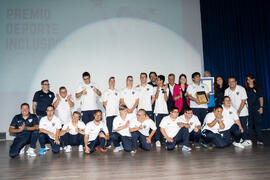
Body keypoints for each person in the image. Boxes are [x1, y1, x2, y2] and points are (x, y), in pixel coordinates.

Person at [225, 76, 251, 146]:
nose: (231, 83)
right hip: (233, 112)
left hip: (242, 111)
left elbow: (243, 101)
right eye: (230, 81)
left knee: (243, 125)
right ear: (228, 83)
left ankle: (247, 140)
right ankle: (240, 138)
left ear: (236, 82)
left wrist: (239, 111)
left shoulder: (241, 89)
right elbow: (226, 101)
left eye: (233, 81)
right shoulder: (227, 91)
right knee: (236, 126)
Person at [245, 75, 264, 145]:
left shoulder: (258, 87)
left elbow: (261, 98)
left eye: (250, 79)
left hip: (256, 108)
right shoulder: (245, 89)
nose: (249, 80)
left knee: (258, 125)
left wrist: (261, 107)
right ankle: (249, 140)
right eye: (247, 79)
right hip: (248, 109)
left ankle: (260, 139)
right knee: (249, 125)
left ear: (253, 79)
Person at [102, 76, 120, 148]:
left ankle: (118, 143)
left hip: (117, 114)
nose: (112, 82)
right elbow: (104, 103)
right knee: (109, 129)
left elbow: (119, 102)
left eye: (113, 81)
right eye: (111, 81)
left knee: (116, 129)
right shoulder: (106, 92)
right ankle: (109, 143)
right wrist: (109, 108)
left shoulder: (117, 92)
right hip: (109, 114)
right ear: (109, 82)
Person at [153, 75, 169, 147]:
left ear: (162, 81)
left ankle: (164, 139)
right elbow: (155, 97)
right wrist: (158, 89)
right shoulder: (155, 88)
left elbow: (166, 100)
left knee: (165, 126)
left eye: (158, 80)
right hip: (158, 111)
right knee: (157, 126)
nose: (157, 81)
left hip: (165, 111)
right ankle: (157, 140)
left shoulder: (166, 89)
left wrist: (165, 90)